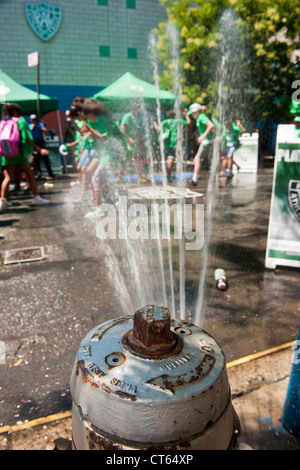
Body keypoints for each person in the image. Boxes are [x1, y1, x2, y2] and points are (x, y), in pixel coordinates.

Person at [0, 103, 49, 210]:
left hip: (7, 152)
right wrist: (38, 148)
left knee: (8, 176)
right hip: (20, 153)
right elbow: (26, 138)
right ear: (15, 112)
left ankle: (3, 200)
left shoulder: (3, 122)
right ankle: (37, 197)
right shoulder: (20, 121)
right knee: (30, 174)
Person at [186, 103, 215, 186]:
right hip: (208, 141)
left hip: (206, 141)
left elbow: (211, 125)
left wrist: (202, 136)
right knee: (212, 158)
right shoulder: (199, 117)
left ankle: (194, 179)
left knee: (197, 159)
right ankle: (226, 173)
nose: (191, 115)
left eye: (192, 113)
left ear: (196, 111)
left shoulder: (202, 117)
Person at [120, 103, 146, 183]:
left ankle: (120, 177)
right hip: (129, 141)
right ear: (134, 109)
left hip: (133, 141)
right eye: (138, 108)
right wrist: (129, 138)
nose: (139, 110)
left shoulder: (135, 117)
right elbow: (122, 126)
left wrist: (142, 143)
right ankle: (139, 177)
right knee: (136, 158)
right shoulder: (128, 116)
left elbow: (137, 131)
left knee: (127, 158)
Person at [161, 110, 188, 182]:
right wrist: (186, 115)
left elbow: (159, 129)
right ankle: (169, 175)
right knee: (171, 158)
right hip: (175, 142)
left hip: (167, 142)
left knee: (170, 157)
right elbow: (188, 122)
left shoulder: (165, 121)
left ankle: (170, 174)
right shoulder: (178, 121)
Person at [29, 114, 55, 179]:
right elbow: (28, 133)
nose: (34, 121)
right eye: (33, 120)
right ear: (31, 120)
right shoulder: (29, 126)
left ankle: (50, 173)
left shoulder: (40, 124)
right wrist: (33, 127)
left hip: (40, 142)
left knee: (45, 157)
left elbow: (45, 130)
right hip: (34, 143)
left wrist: (37, 126)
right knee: (36, 159)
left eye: (35, 119)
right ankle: (39, 173)